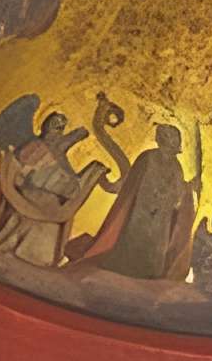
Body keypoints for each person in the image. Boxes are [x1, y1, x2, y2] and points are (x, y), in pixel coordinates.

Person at [75, 97, 200, 280]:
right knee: (135, 239)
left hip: (162, 215)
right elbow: (134, 184)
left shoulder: (176, 166)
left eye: (174, 139)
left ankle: (150, 274)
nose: (172, 143)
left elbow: (178, 190)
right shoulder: (148, 157)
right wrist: (152, 201)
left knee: (156, 245)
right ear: (162, 140)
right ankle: (126, 269)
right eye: (169, 138)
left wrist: (189, 187)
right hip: (142, 209)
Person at [0, 109, 109, 268]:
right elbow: (17, 172)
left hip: (49, 208)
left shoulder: (56, 152)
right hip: (28, 201)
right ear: (45, 129)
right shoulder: (34, 147)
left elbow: (66, 146)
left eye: (60, 128)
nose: (57, 132)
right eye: (55, 127)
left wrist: (82, 134)